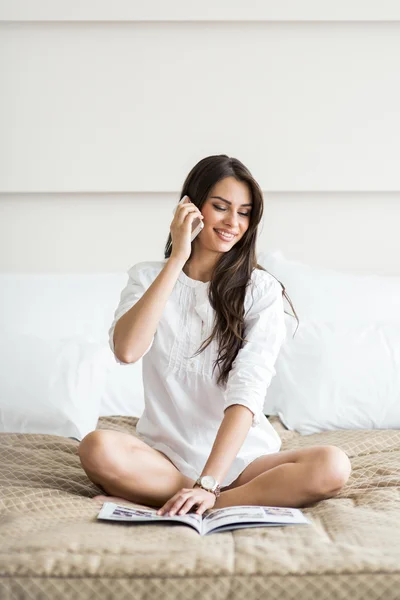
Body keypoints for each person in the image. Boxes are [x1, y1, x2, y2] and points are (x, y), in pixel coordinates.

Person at [78, 154, 352, 516]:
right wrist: (177, 259)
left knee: (333, 465)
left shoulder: (260, 290)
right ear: (190, 208)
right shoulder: (147, 277)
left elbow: (247, 391)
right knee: (96, 447)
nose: (232, 222)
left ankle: (194, 502)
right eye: (220, 207)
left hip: (243, 463)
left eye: (243, 212)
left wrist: (209, 483)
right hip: (166, 460)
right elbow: (127, 350)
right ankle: (194, 498)